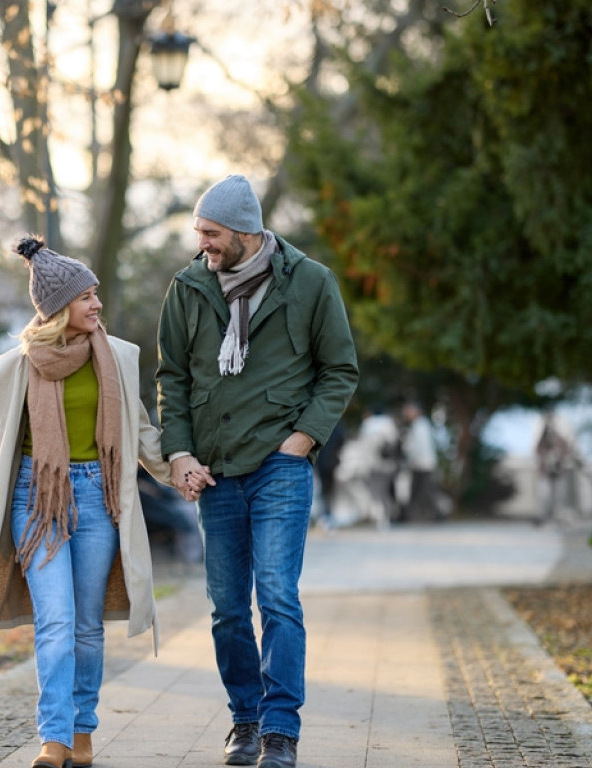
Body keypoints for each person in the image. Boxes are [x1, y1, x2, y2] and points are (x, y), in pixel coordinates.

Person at [0, 236, 193, 768]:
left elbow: (139, 432)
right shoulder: (15, 366)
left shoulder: (119, 357)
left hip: (97, 495)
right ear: (61, 305)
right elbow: (5, 444)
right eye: (87, 297)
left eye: (96, 295)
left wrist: (179, 467)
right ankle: (54, 738)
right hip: (37, 500)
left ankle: (82, 731)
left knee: (86, 624)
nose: (97, 304)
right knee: (56, 620)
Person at [156, 174, 359, 768]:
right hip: (214, 472)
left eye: (212, 233)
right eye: (198, 232)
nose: (203, 244)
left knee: (276, 597)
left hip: (280, 468)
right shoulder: (188, 286)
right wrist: (180, 453)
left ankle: (280, 732)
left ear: (246, 232)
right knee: (225, 608)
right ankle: (244, 720)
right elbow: (172, 378)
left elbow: (339, 370)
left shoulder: (312, 283)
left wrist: (303, 440)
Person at [399, 400, 440, 522]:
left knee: (426, 492)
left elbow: (419, 447)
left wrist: (409, 459)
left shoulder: (420, 425)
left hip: (423, 464)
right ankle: (406, 516)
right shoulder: (418, 425)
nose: (407, 413)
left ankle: (438, 516)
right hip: (420, 464)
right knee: (416, 491)